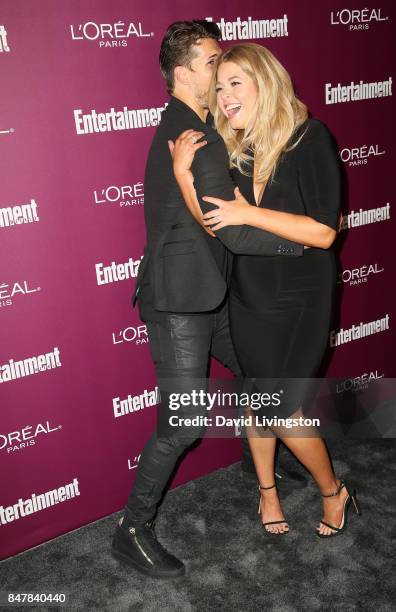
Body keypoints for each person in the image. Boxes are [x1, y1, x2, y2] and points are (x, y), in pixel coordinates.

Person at [112, 23, 304, 579]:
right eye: (212, 60)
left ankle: (255, 457)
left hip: (210, 290)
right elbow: (230, 226)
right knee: (183, 422)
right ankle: (132, 529)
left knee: (257, 373)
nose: (220, 69)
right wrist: (305, 241)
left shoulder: (195, 126)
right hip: (181, 300)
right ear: (183, 74)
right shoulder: (193, 134)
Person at [171, 43, 361, 538]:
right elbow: (218, 225)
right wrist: (182, 178)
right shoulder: (236, 148)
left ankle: (331, 490)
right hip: (249, 293)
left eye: (236, 83)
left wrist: (248, 212)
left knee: (281, 405)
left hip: (302, 298)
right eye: (219, 87)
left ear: (266, 83)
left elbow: (323, 232)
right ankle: (267, 492)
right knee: (257, 398)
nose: (224, 96)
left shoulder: (308, 138)